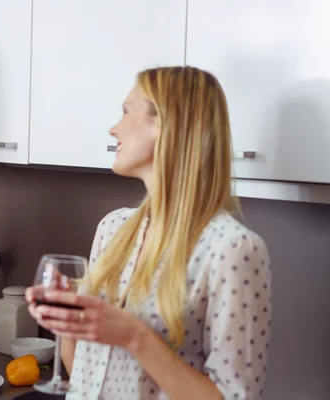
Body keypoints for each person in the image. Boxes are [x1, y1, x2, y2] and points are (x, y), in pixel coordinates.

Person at [27, 66, 272, 399]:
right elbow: (82, 375)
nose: (114, 128)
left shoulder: (233, 249)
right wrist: (68, 321)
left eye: (126, 111)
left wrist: (134, 336)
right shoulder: (113, 229)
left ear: (164, 123)